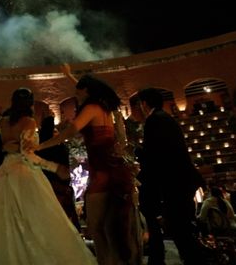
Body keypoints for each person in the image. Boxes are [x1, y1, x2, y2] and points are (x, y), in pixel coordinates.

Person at [0, 87, 95, 264]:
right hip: (24, 172)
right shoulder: (29, 122)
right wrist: (55, 167)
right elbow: (28, 155)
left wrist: (5, 146)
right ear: (30, 104)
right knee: (34, 218)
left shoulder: (2, 122)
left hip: (4, 172)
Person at [35, 66, 142, 265]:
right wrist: (69, 75)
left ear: (87, 92)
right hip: (109, 167)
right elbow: (87, 88)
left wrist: (40, 145)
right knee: (108, 225)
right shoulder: (104, 108)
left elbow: (69, 133)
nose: (76, 94)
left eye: (79, 91)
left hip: (102, 170)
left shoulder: (92, 108)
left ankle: (107, 261)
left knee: (96, 226)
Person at [137, 87, 205, 265]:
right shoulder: (165, 118)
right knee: (181, 229)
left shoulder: (154, 120)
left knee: (180, 230)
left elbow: (156, 154)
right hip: (180, 180)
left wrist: (137, 153)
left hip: (174, 182)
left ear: (145, 104)